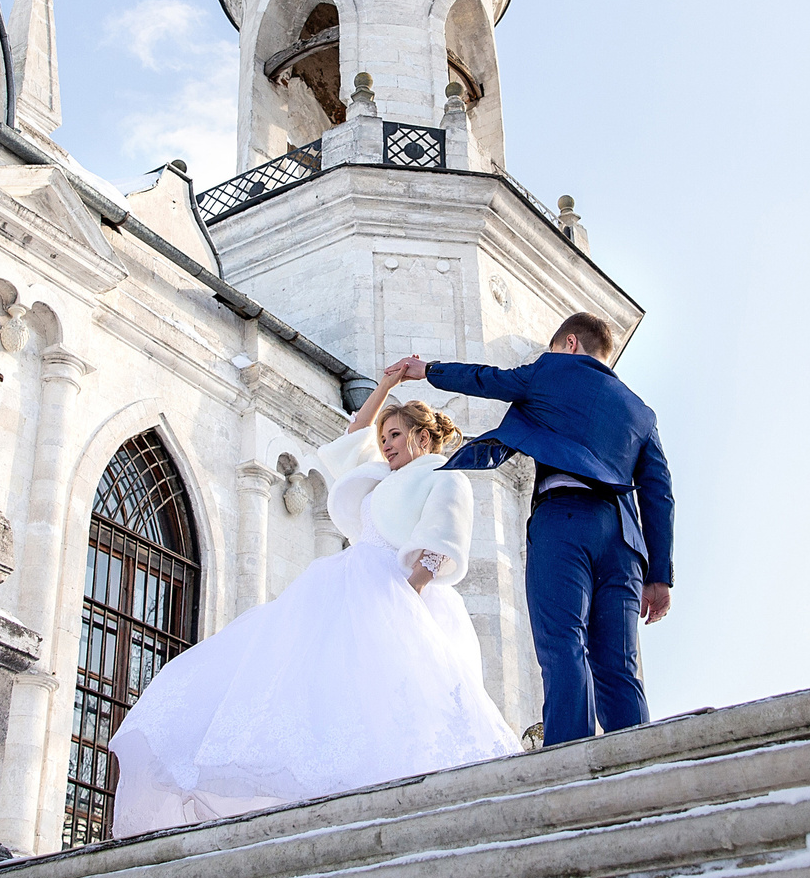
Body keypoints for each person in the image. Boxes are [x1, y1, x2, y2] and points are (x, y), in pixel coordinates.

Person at [105, 363, 521, 838]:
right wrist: (386, 387)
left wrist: (412, 590)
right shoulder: (379, 475)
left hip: (396, 590)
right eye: (386, 435)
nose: (386, 443)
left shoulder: (443, 475)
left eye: (397, 434)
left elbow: (442, 537)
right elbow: (355, 431)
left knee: (399, 694)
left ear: (423, 438)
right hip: (351, 585)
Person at [390, 313, 674, 747]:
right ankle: (642, 761)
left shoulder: (551, 370)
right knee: (619, 662)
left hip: (564, 523)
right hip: (623, 540)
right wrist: (659, 576)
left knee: (563, 644)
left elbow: (487, 379)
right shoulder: (641, 411)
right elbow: (659, 494)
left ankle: (569, 757)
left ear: (571, 343)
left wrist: (427, 371)